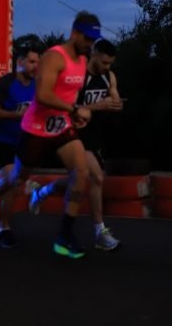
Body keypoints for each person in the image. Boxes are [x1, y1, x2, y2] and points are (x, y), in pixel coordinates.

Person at [0, 11, 101, 259]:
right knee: (17, 178)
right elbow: (43, 95)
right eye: (86, 38)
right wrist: (74, 109)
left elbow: (68, 95)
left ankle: (64, 236)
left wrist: (74, 114)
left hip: (61, 127)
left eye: (93, 40)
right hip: (35, 128)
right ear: (74, 32)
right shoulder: (54, 57)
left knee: (81, 173)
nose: (89, 44)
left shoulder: (82, 60)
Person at [23, 39, 123, 250]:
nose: (107, 67)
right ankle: (100, 232)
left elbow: (115, 101)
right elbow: (67, 105)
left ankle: (42, 191)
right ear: (93, 54)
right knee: (96, 177)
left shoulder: (109, 76)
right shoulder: (79, 75)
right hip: (72, 131)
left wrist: (116, 103)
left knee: (81, 179)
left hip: (94, 134)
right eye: (104, 62)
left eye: (110, 63)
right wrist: (98, 105)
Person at [0, 46, 40, 248]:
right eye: (31, 62)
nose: (35, 66)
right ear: (20, 62)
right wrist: (17, 115)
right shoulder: (6, 83)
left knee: (15, 180)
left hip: (24, 140)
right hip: (1, 139)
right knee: (11, 179)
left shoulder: (38, 85)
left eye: (38, 62)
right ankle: (4, 228)